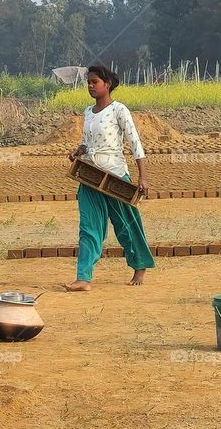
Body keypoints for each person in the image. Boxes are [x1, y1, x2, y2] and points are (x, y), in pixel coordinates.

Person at [64, 63, 155, 291]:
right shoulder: (87, 112)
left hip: (115, 175)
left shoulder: (118, 110)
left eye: (95, 82)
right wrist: (78, 151)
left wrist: (142, 177)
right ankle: (83, 278)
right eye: (89, 82)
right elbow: (87, 143)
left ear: (108, 84)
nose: (91, 86)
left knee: (126, 224)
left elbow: (135, 143)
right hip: (90, 176)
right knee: (88, 226)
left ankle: (140, 265)